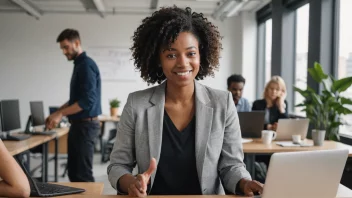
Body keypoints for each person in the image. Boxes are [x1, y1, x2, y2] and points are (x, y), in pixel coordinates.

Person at [107, 6, 263, 197]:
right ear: (158, 59)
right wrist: (131, 183)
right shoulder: (137, 104)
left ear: (201, 56)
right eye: (171, 55)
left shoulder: (223, 103)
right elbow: (117, 165)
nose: (182, 63)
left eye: (190, 53)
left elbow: (231, 165)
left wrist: (244, 182)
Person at [46, 29, 102, 182]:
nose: (64, 52)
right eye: (62, 48)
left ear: (77, 43)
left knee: (82, 176)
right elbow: (76, 99)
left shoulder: (85, 65)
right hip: (79, 126)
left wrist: (60, 114)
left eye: (66, 47)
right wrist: (58, 111)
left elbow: (86, 102)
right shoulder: (79, 65)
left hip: (86, 127)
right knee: (74, 174)